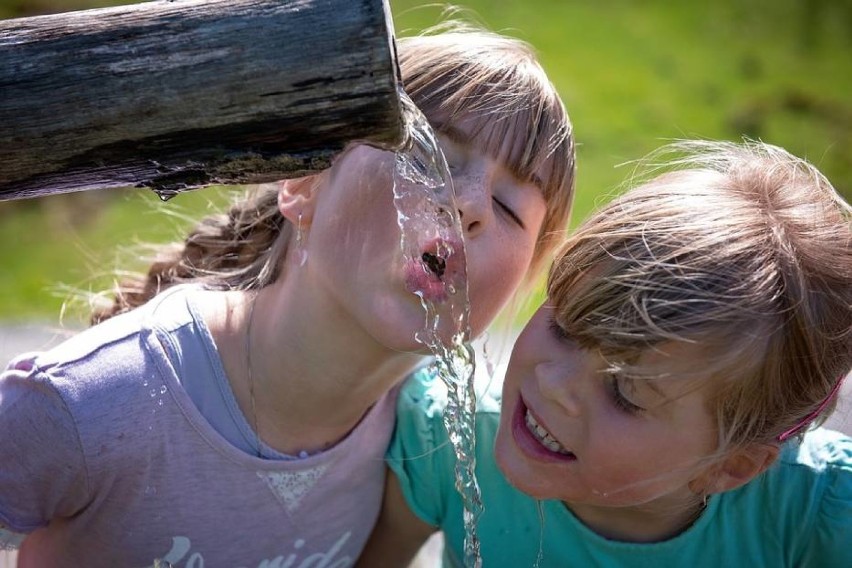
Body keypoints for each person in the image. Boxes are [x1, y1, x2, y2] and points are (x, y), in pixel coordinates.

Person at [0, 24, 575, 567]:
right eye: (429, 158)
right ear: (303, 184)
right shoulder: (96, 399)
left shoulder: (426, 444)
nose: (468, 205)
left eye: (508, 208)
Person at [360, 139, 852, 567]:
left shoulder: (817, 517)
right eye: (566, 326)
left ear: (729, 467)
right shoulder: (448, 439)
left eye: (624, 392)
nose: (555, 382)